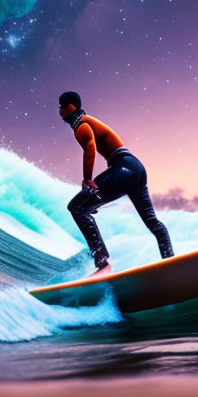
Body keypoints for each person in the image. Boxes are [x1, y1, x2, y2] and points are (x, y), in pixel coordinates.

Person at [59, 91, 174, 276]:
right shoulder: (88, 120)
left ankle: (102, 261)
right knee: (152, 222)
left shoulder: (82, 125)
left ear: (70, 107)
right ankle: (171, 260)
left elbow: (90, 147)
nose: (59, 112)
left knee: (77, 208)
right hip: (135, 168)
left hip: (124, 168)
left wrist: (87, 179)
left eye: (61, 107)